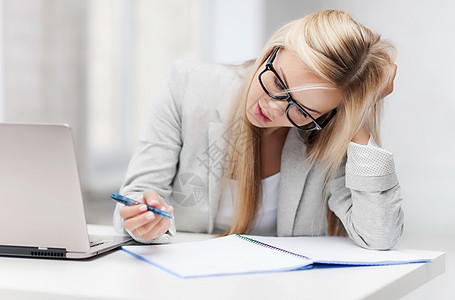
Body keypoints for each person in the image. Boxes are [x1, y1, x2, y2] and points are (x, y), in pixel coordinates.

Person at [113, 10, 403, 250]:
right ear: (273, 51)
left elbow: (379, 236)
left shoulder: (328, 130)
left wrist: (357, 112)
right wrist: (144, 221)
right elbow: (136, 196)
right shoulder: (189, 86)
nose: (276, 108)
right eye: (278, 82)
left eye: (301, 111)